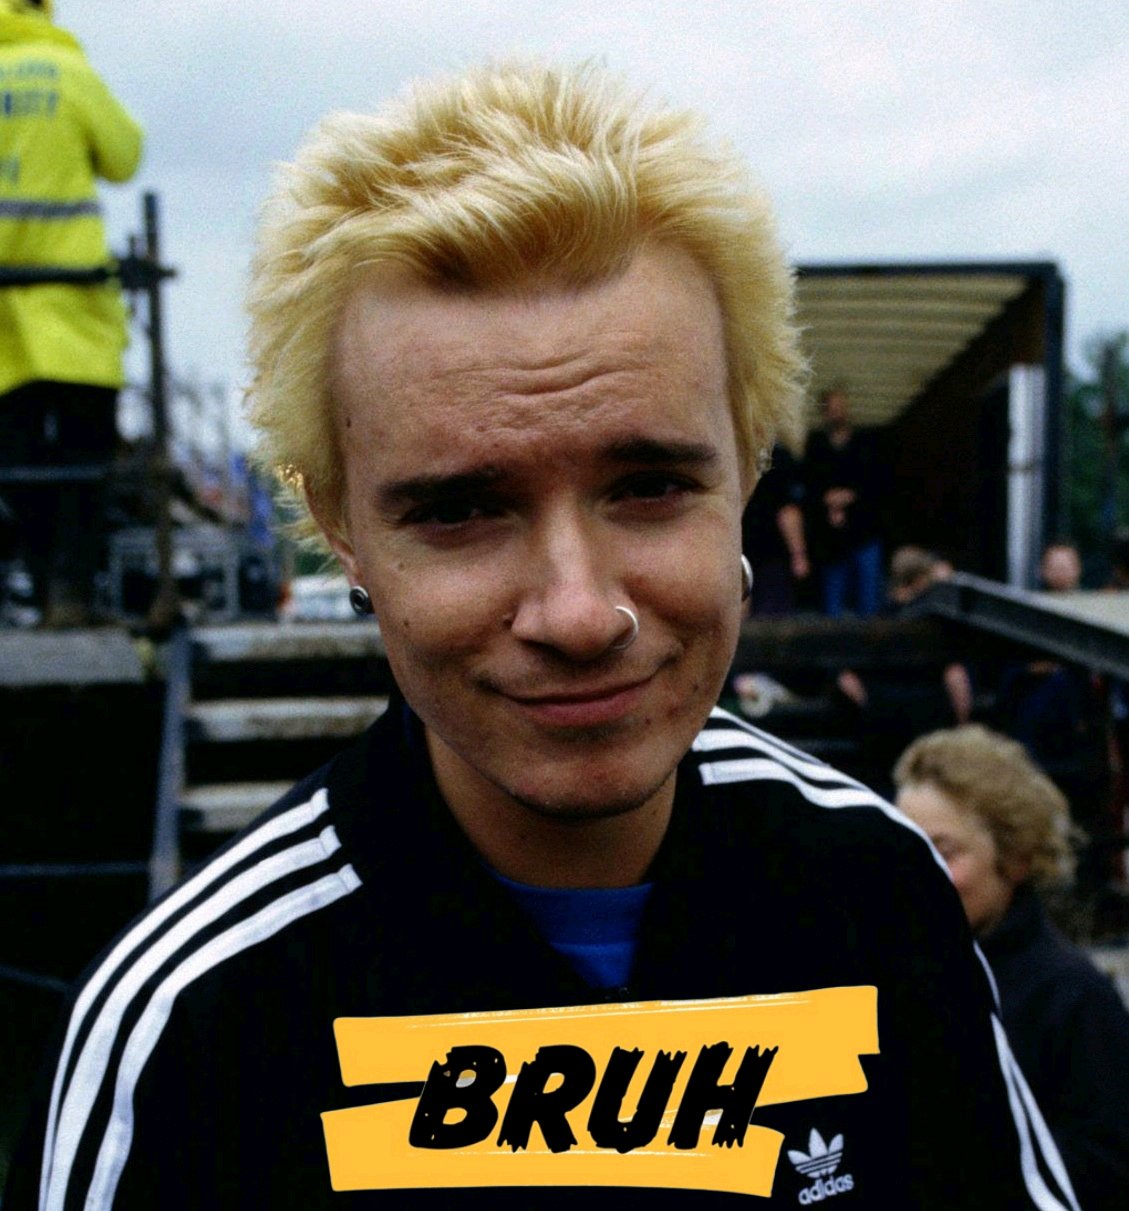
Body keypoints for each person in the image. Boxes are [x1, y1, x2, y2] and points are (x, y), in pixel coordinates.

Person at [6, 61, 1074, 1209]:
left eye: (650, 485)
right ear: (340, 528)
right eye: (461, 509)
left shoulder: (874, 888)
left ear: (750, 464)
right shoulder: (193, 1028)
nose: (576, 612)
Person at [894, 725, 1129, 1211]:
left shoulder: (1072, 996)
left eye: (943, 851)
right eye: (905, 847)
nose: (916, 872)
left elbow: (1108, 1165)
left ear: (1016, 856)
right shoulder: (891, 973)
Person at [0, 0, 142, 625]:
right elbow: (124, 158)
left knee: (18, 465)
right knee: (86, 462)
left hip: (4, 319)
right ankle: (72, 595)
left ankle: (39, 587)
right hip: (74, 308)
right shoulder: (68, 72)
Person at [803, 388, 885, 617]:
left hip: (864, 531)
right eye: (832, 408)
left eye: (840, 406)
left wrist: (849, 497)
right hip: (831, 539)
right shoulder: (817, 446)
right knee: (833, 606)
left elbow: (877, 483)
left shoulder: (865, 443)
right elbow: (809, 485)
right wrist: (828, 502)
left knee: (868, 604)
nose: (837, 412)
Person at [739, 442, 809, 615]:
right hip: (771, 557)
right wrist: (798, 555)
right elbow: (788, 512)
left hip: (739, 551)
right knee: (772, 620)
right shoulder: (779, 458)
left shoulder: (733, 453)